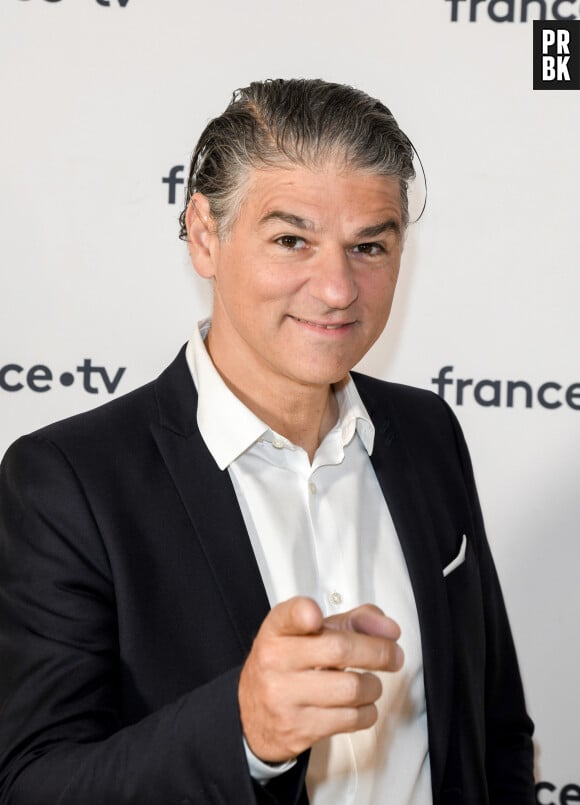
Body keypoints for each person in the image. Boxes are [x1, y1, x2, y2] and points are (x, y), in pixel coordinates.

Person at [0, 79, 535, 804]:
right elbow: (32, 783)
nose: (339, 287)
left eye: (368, 245)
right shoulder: (70, 482)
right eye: (292, 240)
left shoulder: (429, 433)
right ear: (203, 234)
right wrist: (244, 730)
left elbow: (494, 727)